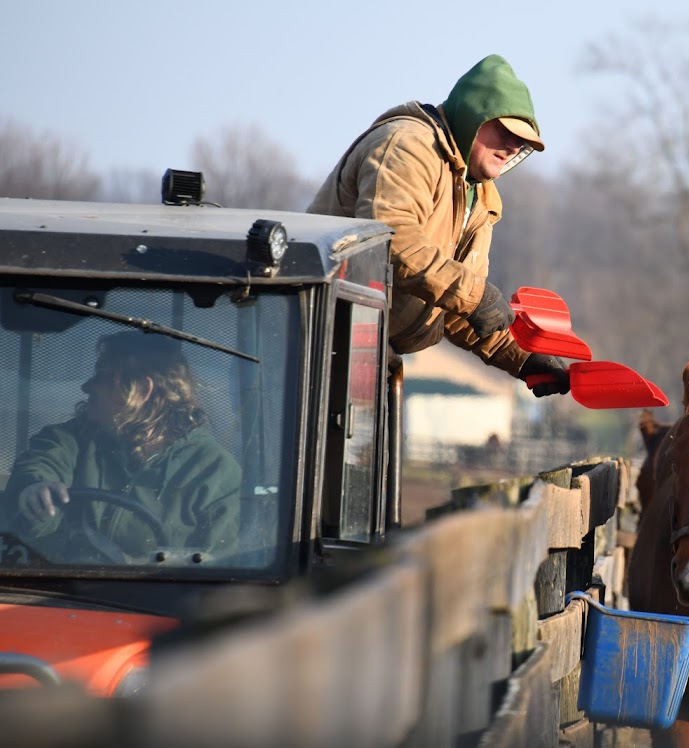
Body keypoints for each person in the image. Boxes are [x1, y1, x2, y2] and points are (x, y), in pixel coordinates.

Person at [307, 54, 570, 398]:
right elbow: (393, 243)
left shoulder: (480, 196)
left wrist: (523, 359)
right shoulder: (409, 146)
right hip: (316, 341)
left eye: (521, 141)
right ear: (475, 117)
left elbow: (454, 303)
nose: (513, 146)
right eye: (505, 131)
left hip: (366, 352)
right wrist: (477, 297)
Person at [4, 331, 242, 561]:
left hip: (148, 600)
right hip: (57, 590)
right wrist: (35, 489)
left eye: (102, 376)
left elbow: (218, 565)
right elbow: (41, 464)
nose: (86, 386)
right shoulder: (69, 439)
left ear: (142, 390)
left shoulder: (213, 470)